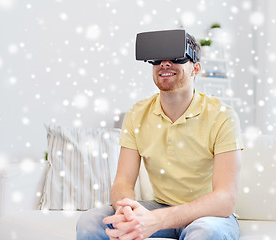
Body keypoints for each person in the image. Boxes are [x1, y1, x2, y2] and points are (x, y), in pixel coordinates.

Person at [76, 30, 244, 240]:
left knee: (205, 233)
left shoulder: (222, 116)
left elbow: (225, 199)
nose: (165, 64)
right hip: (159, 205)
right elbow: (123, 182)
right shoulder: (137, 114)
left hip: (207, 215)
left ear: (196, 68)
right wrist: (127, 210)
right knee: (91, 223)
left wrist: (158, 220)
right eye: (157, 60)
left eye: (176, 58)